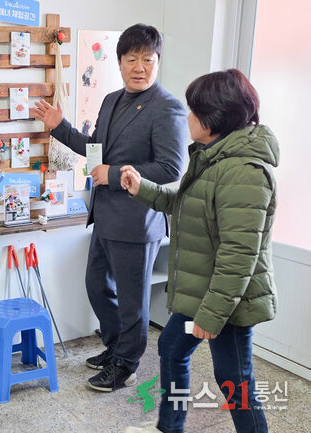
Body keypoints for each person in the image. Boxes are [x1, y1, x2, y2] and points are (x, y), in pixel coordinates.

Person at [121, 69, 277, 433]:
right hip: (203, 294)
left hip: (226, 305)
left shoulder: (244, 172)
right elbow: (185, 204)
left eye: (194, 110)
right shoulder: (214, 158)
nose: (188, 117)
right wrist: (142, 188)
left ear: (214, 117)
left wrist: (211, 315)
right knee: (173, 348)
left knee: (234, 379)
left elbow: (238, 256)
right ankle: (169, 427)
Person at [34, 24, 188, 392]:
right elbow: (95, 153)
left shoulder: (167, 107)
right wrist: (60, 127)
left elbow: (171, 168)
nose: (139, 67)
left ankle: (126, 365)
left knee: (133, 301)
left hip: (137, 220)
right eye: (132, 59)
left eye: (147, 59)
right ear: (119, 62)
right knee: (96, 285)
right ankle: (117, 346)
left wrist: (115, 174)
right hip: (104, 216)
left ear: (158, 62)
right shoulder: (111, 100)